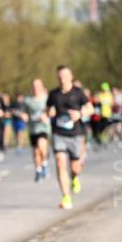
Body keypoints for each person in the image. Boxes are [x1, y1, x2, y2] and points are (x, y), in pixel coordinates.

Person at [47, 64, 93, 210]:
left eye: (65, 77)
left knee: (76, 167)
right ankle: (66, 196)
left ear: (71, 77)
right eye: (60, 77)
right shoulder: (53, 94)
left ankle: (74, 177)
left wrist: (80, 114)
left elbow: (90, 108)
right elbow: (48, 109)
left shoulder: (78, 93)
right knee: (60, 163)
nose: (62, 80)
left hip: (76, 134)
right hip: (58, 133)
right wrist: (50, 113)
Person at [22, 78, 51, 182]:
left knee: (41, 146)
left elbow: (53, 111)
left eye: (38, 86)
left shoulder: (47, 98)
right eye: (34, 86)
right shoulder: (27, 100)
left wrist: (46, 115)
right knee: (35, 152)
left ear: (42, 87)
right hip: (32, 128)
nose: (36, 88)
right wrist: (24, 116)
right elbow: (24, 112)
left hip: (43, 127)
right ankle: (38, 170)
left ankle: (45, 164)